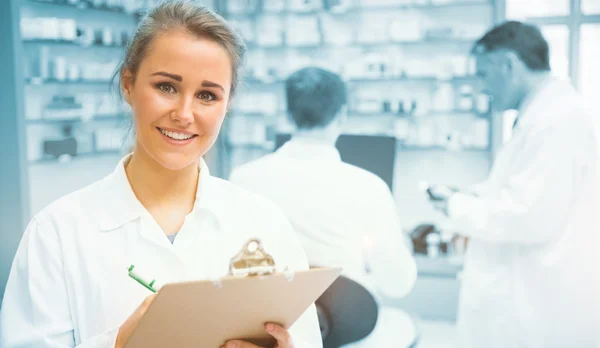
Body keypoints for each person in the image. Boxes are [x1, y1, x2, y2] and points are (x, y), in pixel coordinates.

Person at [0, 2, 322, 348]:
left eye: (207, 95)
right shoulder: (56, 234)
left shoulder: (264, 223)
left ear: (227, 104)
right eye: (166, 87)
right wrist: (120, 343)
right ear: (128, 84)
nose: (184, 114)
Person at [428, 21, 600, 348]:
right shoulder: (541, 117)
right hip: (526, 301)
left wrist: (456, 207)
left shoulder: (556, 122)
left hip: (537, 307)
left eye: (482, 73)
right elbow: (523, 190)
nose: (481, 87)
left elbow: (529, 218)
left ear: (509, 65)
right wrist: (472, 195)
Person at [229, 67, 418, 347]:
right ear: (342, 115)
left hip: (266, 329)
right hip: (345, 330)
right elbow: (398, 285)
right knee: (403, 324)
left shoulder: (242, 178)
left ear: (287, 114)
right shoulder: (368, 186)